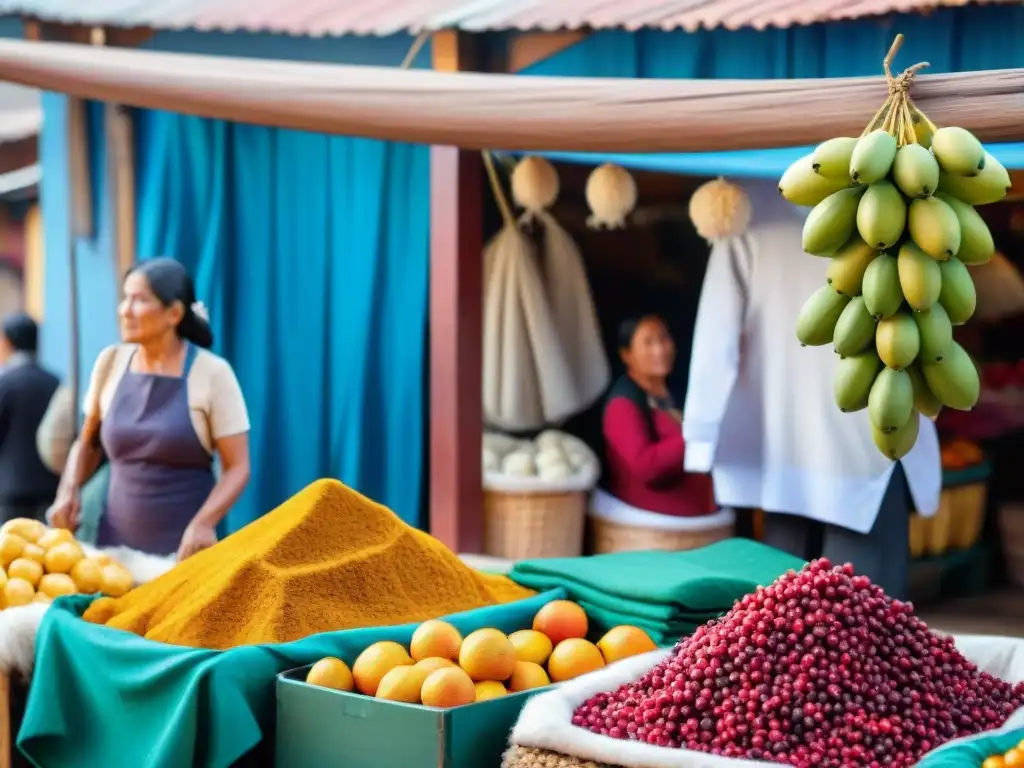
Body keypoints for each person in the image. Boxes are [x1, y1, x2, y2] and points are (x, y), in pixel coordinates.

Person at [681, 178, 941, 600]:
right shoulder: (901, 188)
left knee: (793, 622)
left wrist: (703, 435)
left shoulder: (747, 201)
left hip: (792, 442)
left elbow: (716, 336)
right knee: (855, 623)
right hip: (861, 435)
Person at [48, 258, 251, 559]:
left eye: (140, 300)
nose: (125, 310)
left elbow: (238, 467)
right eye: (125, 297)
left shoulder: (212, 373)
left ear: (174, 313)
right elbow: (88, 443)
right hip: (110, 551)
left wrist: (204, 523)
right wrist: (69, 488)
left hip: (186, 556)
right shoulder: (111, 362)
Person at [601, 314, 714, 517]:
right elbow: (646, 467)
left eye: (664, 339)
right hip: (656, 521)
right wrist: (696, 433)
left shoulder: (676, 391)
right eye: (648, 342)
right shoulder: (622, 405)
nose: (660, 350)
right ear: (627, 355)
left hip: (701, 512)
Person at [0, 313, 60, 522]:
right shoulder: (54, 381)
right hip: (50, 486)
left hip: (10, 487)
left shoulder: (5, 383)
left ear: (7, 341)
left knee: (11, 550)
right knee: (44, 549)